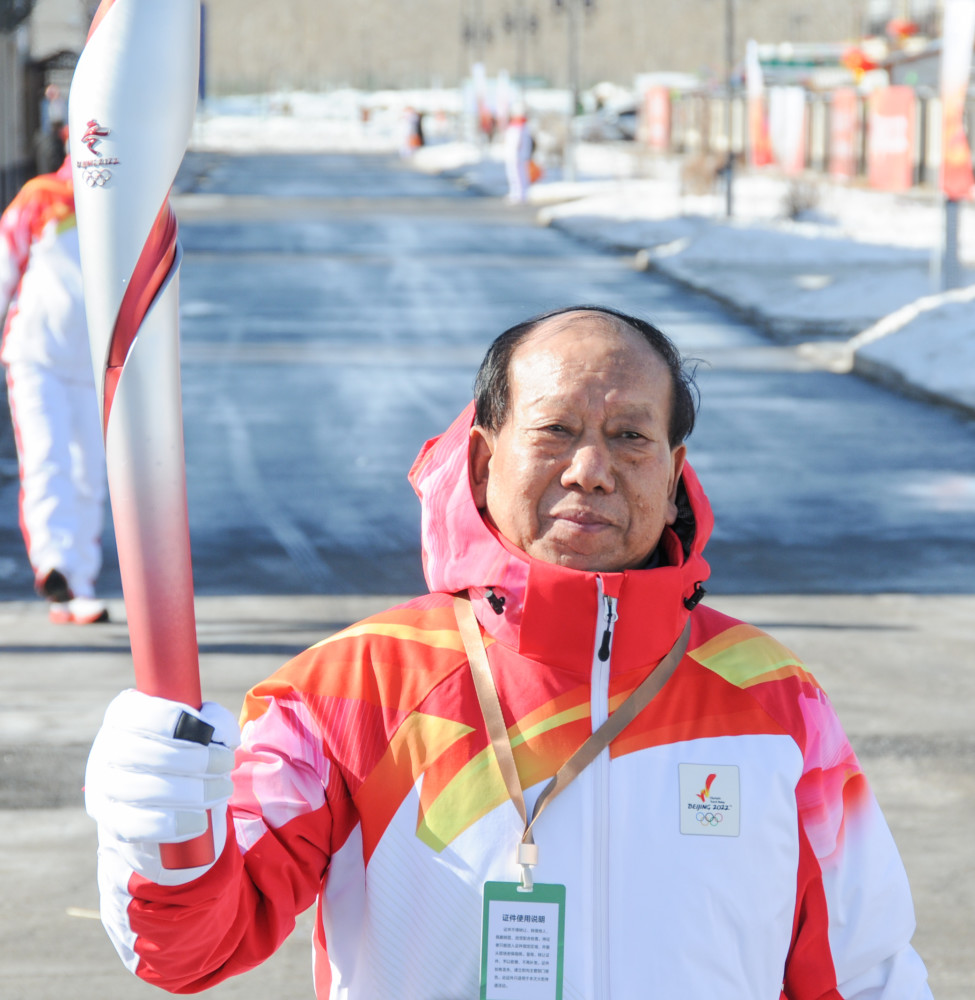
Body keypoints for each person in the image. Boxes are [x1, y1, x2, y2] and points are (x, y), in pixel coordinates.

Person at [83, 306, 932, 998]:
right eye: (555, 430)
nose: (590, 470)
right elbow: (191, 947)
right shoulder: (354, 688)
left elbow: (863, 972)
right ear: (484, 459)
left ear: (674, 473)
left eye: (630, 437)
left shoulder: (773, 700)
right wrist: (156, 829)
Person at [0, 153, 109, 624]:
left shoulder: (124, 203)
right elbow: (4, 265)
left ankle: (79, 584)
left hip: (96, 363)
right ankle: (54, 568)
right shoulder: (40, 196)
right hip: (35, 356)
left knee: (90, 472)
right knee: (46, 459)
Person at [503, 104, 534, 203]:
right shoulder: (517, 125)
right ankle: (517, 193)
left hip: (517, 155)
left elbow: (518, 142)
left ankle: (520, 195)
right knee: (516, 175)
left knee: (518, 176)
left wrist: (517, 153)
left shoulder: (520, 126)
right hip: (515, 155)